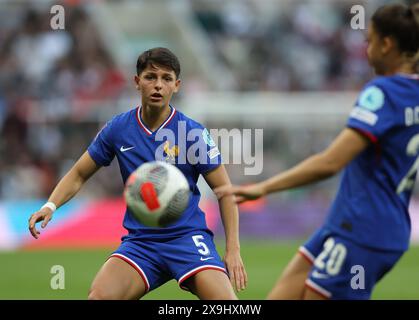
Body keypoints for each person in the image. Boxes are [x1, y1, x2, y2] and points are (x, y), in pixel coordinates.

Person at [215, 3, 419, 300]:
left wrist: (264, 187)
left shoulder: (383, 93)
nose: (366, 48)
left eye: (370, 40)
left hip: (363, 229)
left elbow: (330, 162)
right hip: (356, 222)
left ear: (387, 44)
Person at [28, 47, 247, 300]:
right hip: (142, 243)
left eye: (166, 79)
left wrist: (233, 249)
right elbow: (78, 173)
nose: (158, 85)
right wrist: (51, 205)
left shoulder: (192, 133)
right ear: (137, 82)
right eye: (150, 77)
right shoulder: (118, 128)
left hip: (188, 238)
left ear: (176, 86)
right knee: (99, 297)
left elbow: (225, 192)